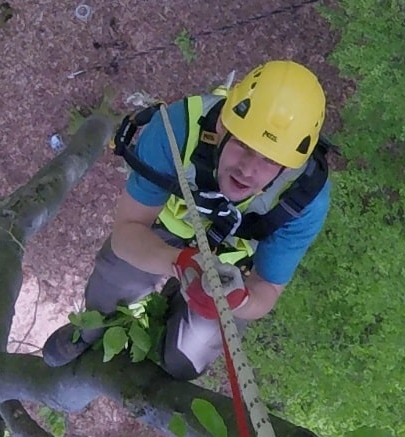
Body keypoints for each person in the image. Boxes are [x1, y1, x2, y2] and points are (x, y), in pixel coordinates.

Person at [40, 60, 333, 380]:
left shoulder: (304, 198)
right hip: (160, 229)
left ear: (289, 168)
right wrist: (179, 263)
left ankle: (161, 360)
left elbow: (268, 289)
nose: (248, 169)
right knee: (109, 286)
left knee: (186, 360)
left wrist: (238, 300)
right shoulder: (176, 129)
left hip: (230, 267)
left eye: (270, 160)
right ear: (222, 126)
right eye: (242, 145)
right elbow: (127, 232)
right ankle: (91, 329)